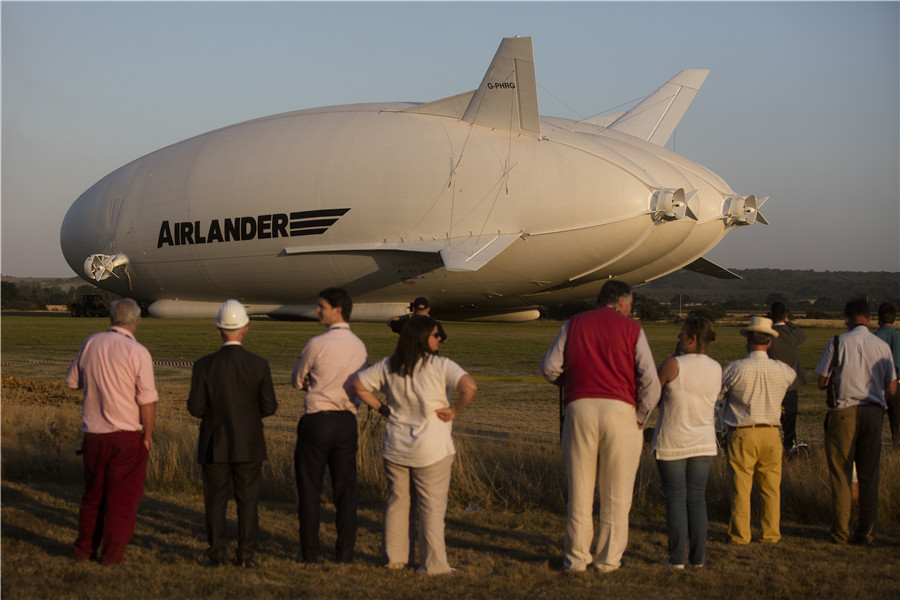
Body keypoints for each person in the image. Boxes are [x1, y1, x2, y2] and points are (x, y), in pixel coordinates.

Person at [541, 279, 660, 573]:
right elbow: (650, 382)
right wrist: (641, 417)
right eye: (630, 304)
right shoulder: (632, 330)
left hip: (580, 408)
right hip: (621, 411)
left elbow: (549, 367)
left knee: (580, 489)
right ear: (622, 302)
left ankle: (577, 558)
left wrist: (571, 384)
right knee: (617, 493)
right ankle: (608, 560)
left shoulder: (574, 323)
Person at [352, 316, 477, 574]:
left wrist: (382, 409)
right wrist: (454, 410)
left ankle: (395, 558)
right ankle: (433, 564)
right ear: (422, 338)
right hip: (432, 448)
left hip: (396, 446)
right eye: (434, 335)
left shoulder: (388, 365)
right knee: (431, 507)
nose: (439, 338)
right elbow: (469, 386)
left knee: (398, 502)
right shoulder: (441, 366)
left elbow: (358, 385)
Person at [66, 298, 158, 565]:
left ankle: (83, 550)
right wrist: (147, 437)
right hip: (127, 436)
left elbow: (72, 382)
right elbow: (147, 400)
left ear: (111, 319)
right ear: (137, 322)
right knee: (123, 500)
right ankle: (112, 555)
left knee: (93, 496)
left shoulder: (91, 343)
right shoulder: (138, 352)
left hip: (94, 435)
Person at [187, 300, 278, 568]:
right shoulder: (258, 364)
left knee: (215, 501)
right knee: (247, 501)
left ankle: (216, 554)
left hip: (214, 443)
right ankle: (246, 556)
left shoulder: (204, 366)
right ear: (245, 329)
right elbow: (270, 407)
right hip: (249, 444)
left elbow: (195, 408)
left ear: (218, 330)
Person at [291, 287, 368, 563]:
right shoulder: (359, 346)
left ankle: (309, 553)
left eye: (321, 306)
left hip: (318, 419)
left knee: (310, 490)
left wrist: (312, 384)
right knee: (346, 492)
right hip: (346, 421)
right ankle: (345, 552)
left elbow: (297, 379)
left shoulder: (316, 344)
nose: (317, 310)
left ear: (337, 309)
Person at [816, 298, 897, 544]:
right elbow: (892, 387)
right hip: (873, 412)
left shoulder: (837, 342)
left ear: (846, 318)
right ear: (870, 319)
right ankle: (866, 532)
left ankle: (840, 532)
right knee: (869, 474)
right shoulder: (882, 346)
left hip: (844, 412)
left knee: (841, 473)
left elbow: (821, 381)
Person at [650, 316, 721, 569]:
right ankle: (698, 558)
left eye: (681, 335)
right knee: (697, 499)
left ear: (691, 339)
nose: (678, 338)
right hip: (702, 440)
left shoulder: (672, 365)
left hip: (673, 439)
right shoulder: (716, 367)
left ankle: (677, 557)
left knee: (676, 499)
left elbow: (652, 398)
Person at [719, 316, 795, 545]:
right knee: (771, 488)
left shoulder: (734, 368)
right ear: (769, 342)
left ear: (748, 341)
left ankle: (741, 534)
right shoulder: (783, 370)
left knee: (741, 487)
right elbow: (791, 379)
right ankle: (771, 533)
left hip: (743, 431)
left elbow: (718, 394)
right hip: (772, 431)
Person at [766, 302, 807, 453]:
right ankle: (790, 447)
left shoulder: (767, 334)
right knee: (790, 420)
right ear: (786, 316)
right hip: (790, 384)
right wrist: (789, 323)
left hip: (771, 384)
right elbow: (802, 336)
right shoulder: (792, 334)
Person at [873, 302, 900, 448]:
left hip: (877, 386)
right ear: (895, 319)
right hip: (898, 384)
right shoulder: (898, 337)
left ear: (879, 318)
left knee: (875, 426)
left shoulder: (872, 338)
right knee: (897, 427)